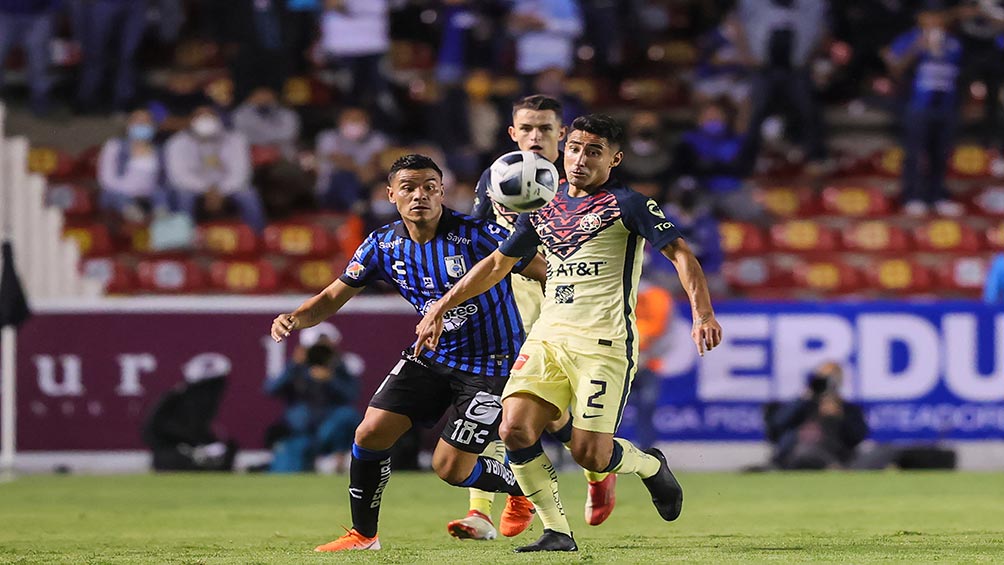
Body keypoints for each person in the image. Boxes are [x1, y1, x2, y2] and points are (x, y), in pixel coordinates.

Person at [416, 114, 723, 552]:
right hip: (548, 338)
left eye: (593, 151)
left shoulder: (628, 204)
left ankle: (650, 466)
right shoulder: (544, 205)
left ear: (614, 159)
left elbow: (681, 255)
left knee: (590, 454)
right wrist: (443, 307)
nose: (579, 159)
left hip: (604, 343)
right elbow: (497, 264)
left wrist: (703, 313)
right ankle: (557, 532)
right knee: (514, 429)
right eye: (575, 148)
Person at [269, 154, 548, 552]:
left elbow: (544, 271)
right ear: (391, 195)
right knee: (370, 432)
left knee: (449, 469)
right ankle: (364, 536)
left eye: (430, 187)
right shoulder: (383, 244)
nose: (420, 196)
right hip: (432, 357)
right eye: (409, 188)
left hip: (492, 365)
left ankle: (519, 487)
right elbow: (333, 296)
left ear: (442, 192)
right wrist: (294, 318)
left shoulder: (478, 234)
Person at [449, 95, 617, 542]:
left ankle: (598, 471)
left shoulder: (581, 178)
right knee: (495, 396)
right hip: (510, 295)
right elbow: (480, 239)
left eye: (545, 129)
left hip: (567, 302)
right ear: (512, 133)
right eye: (527, 129)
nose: (536, 137)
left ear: (562, 135)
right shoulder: (497, 176)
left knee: (553, 415)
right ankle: (486, 508)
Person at [882, 1, 966, 217]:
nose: (934, 21)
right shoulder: (909, 39)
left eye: (938, 16)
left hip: (946, 107)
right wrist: (917, 48)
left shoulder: (954, 42)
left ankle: (937, 195)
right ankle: (912, 196)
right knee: (914, 153)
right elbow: (895, 70)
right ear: (920, 18)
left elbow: (961, 74)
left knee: (941, 154)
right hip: (917, 106)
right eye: (929, 16)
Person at [264, 322, 362, 473]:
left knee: (347, 415)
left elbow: (352, 395)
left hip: (329, 430)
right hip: (300, 433)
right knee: (288, 467)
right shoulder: (296, 369)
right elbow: (270, 389)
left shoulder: (339, 368)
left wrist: (330, 379)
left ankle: (339, 457)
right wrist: (294, 365)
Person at [164, 106, 267, 232]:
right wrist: (207, 190)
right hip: (193, 187)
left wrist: (219, 191)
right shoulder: (177, 142)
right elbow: (179, 176)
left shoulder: (235, 139)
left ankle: (258, 236)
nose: (206, 120)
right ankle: (182, 239)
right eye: (200, 116)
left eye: (210, 116)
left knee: (248, 194)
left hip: (227, 187)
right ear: (191, 120)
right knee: (184, 195)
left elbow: (241, 173)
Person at [765, 361, 868, 470]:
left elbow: (858, 437)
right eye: (824, 378)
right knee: (804, 453)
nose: (828, 384)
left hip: (834, 455)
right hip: (795, 454)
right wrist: (804, 398)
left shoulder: (848, 409)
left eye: (833, 379)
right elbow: (777, 424)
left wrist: (840, 415)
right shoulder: (802, 404)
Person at [96, 108, 171, 224]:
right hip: (119, 193)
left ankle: (162, 221)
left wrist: (146, 191)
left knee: (161, 194)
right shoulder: (115, 146)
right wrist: (130, 191)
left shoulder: (158, 151)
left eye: (146, 121)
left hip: (148, 194)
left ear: (153, 126)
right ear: (129, 125)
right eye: (137, 121)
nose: (141, 124)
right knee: (116, 196)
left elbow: (161, 179)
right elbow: (106, 179)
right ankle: (135, 218)